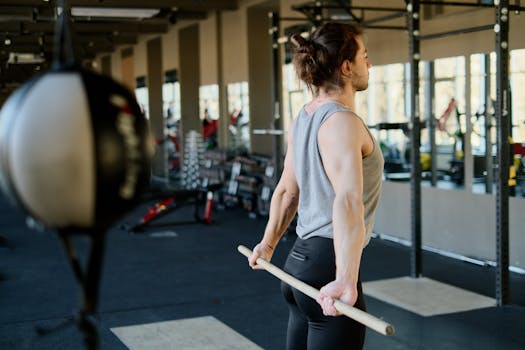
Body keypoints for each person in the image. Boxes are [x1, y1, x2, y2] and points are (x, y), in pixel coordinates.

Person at [246, 22, 383, 350]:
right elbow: (348, 200)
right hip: (327, 266)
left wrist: (268, 244)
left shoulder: (304, 118)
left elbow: (286, 191)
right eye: (365, 56)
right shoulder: (342, 122)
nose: (370, 64)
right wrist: (346, 279)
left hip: (300, 263)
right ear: (347, 67)